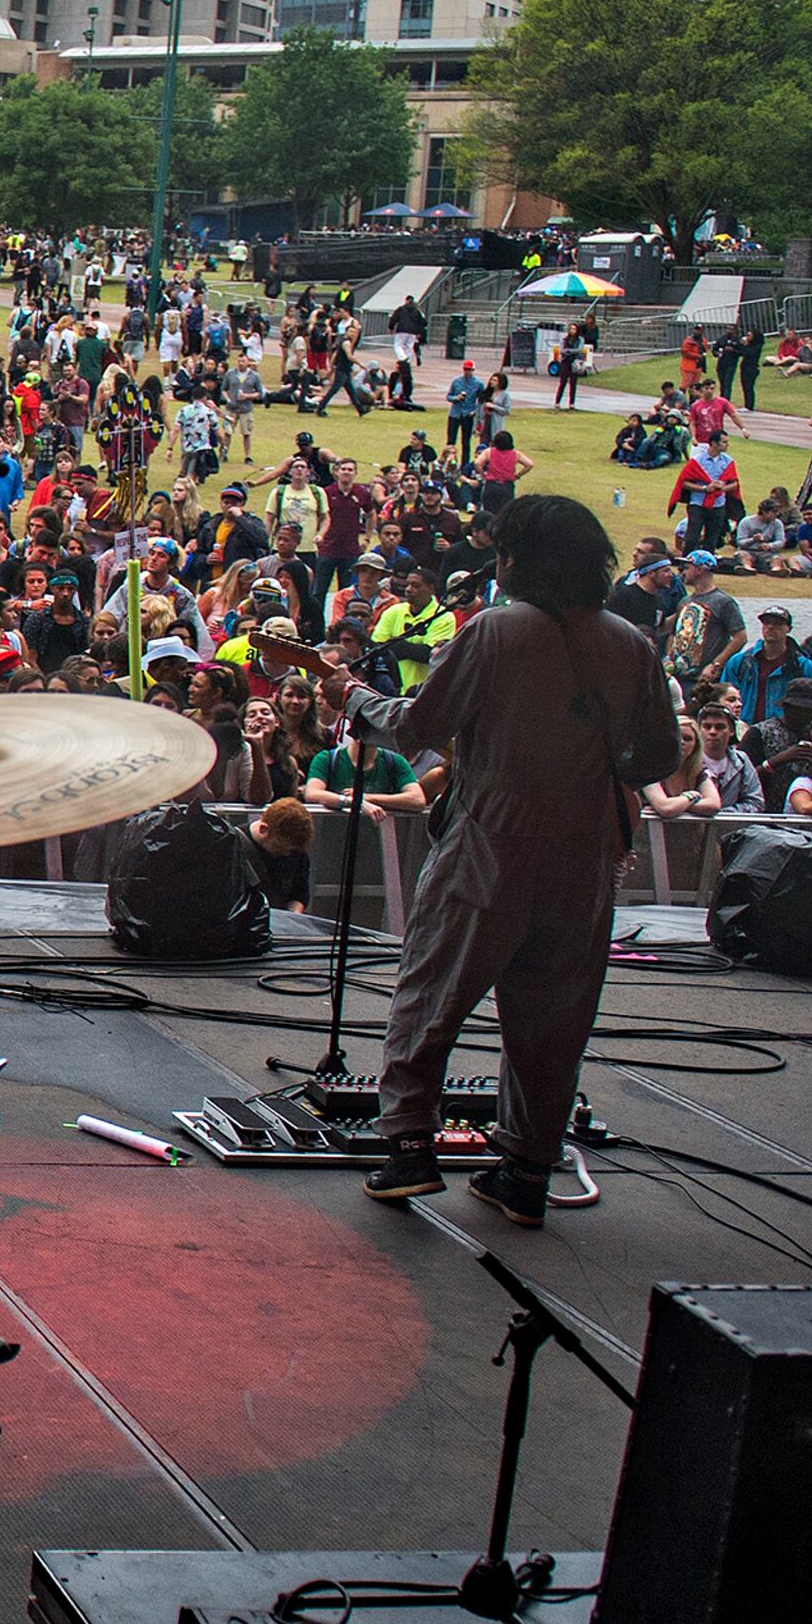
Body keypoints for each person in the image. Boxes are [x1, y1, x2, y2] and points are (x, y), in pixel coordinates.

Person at [267, 495, 672, 1226]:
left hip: (491, 845)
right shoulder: (630, 644)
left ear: (522, 560)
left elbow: (420, 724)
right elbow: (661, 755)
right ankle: (524, 1173)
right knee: (553, 1021)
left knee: (431, 995)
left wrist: (353, 697)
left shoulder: (495, 631)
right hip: (585, 859)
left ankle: (410, 1151)